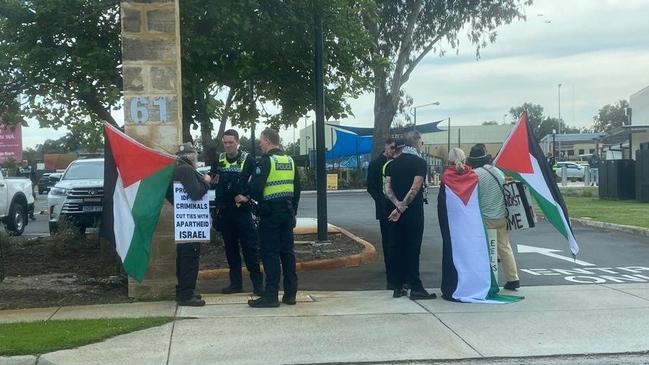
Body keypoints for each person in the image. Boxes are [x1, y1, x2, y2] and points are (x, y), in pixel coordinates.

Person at [248, 128, 301, 308]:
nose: (260, 144)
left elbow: (255, 188)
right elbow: (297, 191)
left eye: (261, 141)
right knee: (287, 253)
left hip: (270, 214)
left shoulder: (266, 161)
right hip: (287, 212)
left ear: (268, 141)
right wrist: (293, 211)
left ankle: (271, 295)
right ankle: (290, 294)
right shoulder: (290, 161)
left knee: (270, 253)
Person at [210, 129, 263, 296]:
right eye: (225, 142)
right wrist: (208, 181)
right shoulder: (218, 160)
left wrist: (247, 197)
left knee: (250, 248)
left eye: (230, 142)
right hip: (225, 212)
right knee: (230, 249)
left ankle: (258, 285)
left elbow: (257, 183)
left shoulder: (248, 160)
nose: (227, 146)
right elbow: (212, 182)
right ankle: (235, 284)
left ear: (237, 142)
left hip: (242, 211)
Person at [384, 131, 436, 300]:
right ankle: (416, 287)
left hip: (395, 213)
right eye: (421, 141)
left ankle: (398, 286)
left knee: (398, 248)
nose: (421, 144)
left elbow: (387, 188)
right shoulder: (419, 162)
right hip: (412, 213)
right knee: (413, 249)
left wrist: (397, 206)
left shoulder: (392, 164)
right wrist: (402, 208)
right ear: (416, 142)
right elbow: (415, 188)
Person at [467, 144, 520, 291]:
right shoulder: (497, 171)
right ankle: (513, 278)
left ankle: (487, 280)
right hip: (502, 216)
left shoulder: (475, 175)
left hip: (485, 218)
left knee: (484, 249)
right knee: (504, 247)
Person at [167, 142, 211, 307]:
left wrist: (179, 206)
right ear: (193, 156)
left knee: (184, 257)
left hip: (185, 221)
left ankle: (184, 291)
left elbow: (168, 193)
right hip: (191, 224)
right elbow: (195, 193)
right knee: (190, 259)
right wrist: (206, 182)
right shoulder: (186, 170)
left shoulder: (177, 169)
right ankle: (186, 295)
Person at [366, 137, 396, 289]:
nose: (393, 151)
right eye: (391, 148)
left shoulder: (397, 163)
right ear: (385, 147)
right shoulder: (375, 164)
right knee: (387, 238)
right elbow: (370, 187)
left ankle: (396, 266)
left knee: (397, 237)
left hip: (397, 206)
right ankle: (389, 266)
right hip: (384, 207)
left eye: (395, 148)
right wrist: (381, 200)